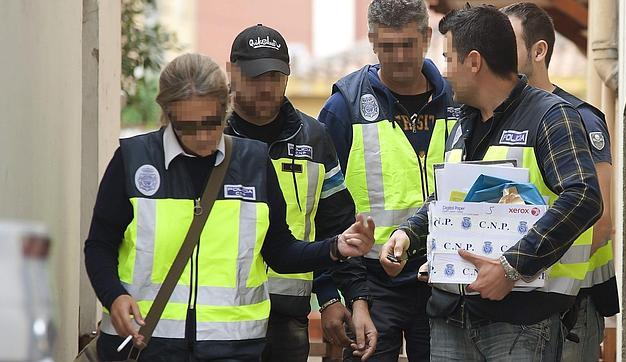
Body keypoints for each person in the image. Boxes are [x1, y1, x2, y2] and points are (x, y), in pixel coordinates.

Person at [84, 53, 375, 362]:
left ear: (225, 110)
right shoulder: (133, 159)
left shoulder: (253, 162)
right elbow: (99, 245)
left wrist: (335, 247)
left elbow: (280, 251)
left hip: (232, 349)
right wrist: (113, 295)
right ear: (168, 114)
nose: (202, 137)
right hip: (145, 345)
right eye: (187, 125)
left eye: (211, 123)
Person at [380, 5, 603, 361]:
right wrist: (408, 234)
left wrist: (512, 267)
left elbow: (584, 197)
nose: (444, 71)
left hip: (520, 324)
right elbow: (447, 200)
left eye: (447, 58)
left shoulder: (551, 117)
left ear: (473, 62)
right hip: (450, 316)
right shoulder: (461, 123)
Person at [224, 24, 377, 361]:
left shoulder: (314, 138)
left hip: (287, 319)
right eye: (255, 76)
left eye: (275, 77)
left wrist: (348, 299)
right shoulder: (212, 138)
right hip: (218, 320)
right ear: (231, 73)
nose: (267, 87)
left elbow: (335, 228)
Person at [318, 0, 457, 360]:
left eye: (407, 44)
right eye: (387, 46)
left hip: (444, 274)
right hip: (370, 281)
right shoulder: (343, 107)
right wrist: (335, 292)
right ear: (372, 41)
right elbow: (321, 209)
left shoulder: (460, 101)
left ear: (427, 37)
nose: (397, 57)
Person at [501, 3, 620, 361]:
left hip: (573, 306)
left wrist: (518, 267)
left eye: (508, 44)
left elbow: (600, 223)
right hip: (517, 301)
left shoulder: (582, 119)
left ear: (539, 51)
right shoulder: (498, 118)